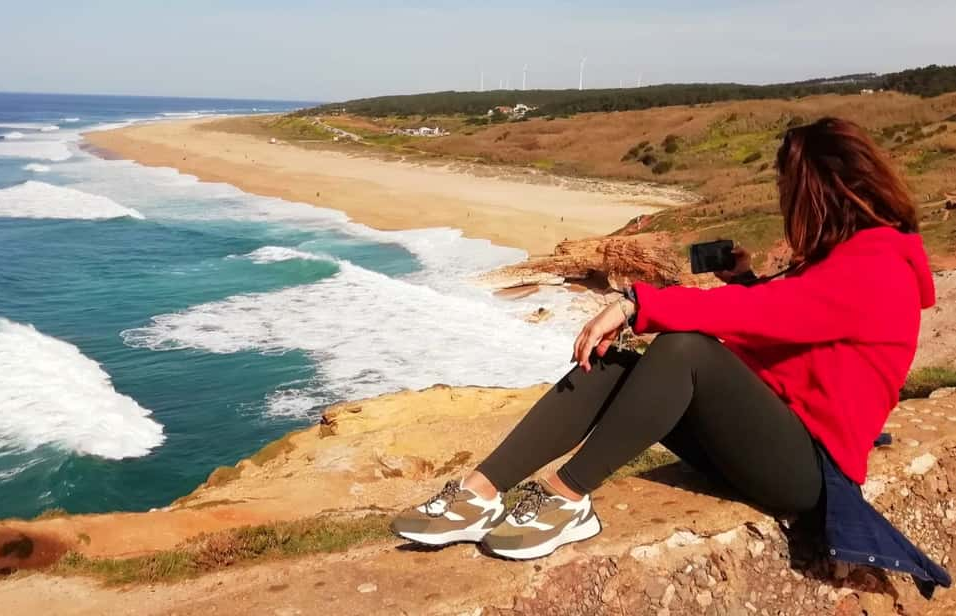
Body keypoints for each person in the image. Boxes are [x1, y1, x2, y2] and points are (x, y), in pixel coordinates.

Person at [391, 117, 941, 567]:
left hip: (810, 472)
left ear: (816, 192)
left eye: (786, 191)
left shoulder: (877, 266)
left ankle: (566, 496)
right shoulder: (847, 258)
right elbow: (798, 326)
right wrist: (745, 280)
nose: (783, 203)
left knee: (686, 350)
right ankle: (478, 494)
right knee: (614, 364)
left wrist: (637, 303)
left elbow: (770, 315)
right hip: (769, 437)